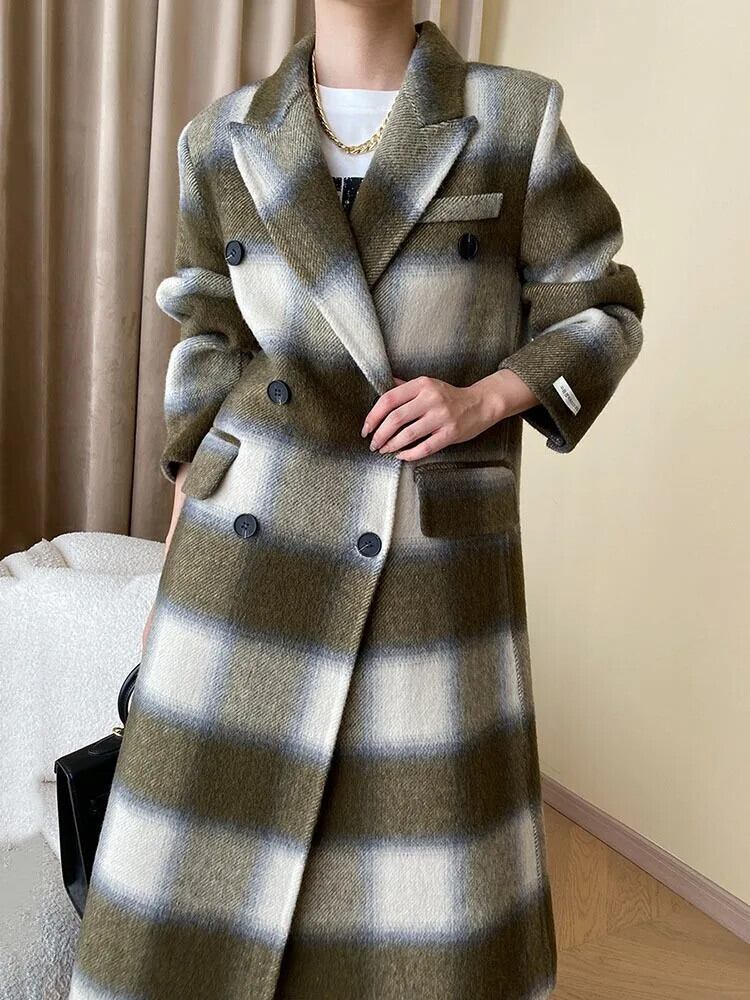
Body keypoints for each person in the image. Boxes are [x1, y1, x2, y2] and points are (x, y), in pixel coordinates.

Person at [68, 3, 644, 999]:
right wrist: (172, 564)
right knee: (198, 882)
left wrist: (485, 397)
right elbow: (208, 346)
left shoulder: (514, 117)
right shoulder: (221, 136)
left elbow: (602, 303)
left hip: (422, 554)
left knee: (418, 901)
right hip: (243, 553)